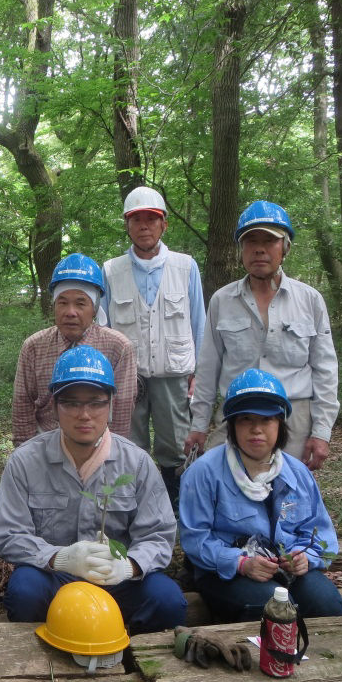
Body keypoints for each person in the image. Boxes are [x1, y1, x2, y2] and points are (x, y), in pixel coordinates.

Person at [0, 346, 187, 635]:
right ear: (55, 406)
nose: (84, 414)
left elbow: (158, 535)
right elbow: (9, 535)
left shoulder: (136, 463)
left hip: (117, 581)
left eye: (96, 402)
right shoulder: (25, 461)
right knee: (24, 591)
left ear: (110, 405)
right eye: (71, 403)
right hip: (57, 577)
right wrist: (61, 558)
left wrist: (129, 566)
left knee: (168, 600)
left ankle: (132, 652)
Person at [179, 368, 342, 622]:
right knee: (271, 607)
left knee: (328, 604)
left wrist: (305, 558)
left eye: (266, 420)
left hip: (285, 571)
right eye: (246, 419)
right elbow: (195, 540)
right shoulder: (203, 473)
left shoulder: (297, 473)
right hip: (224, 572)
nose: (256, 429)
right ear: (232, 426)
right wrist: (241, 563)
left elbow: (318, 532)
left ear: (280, 424)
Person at [185, 202, 339, 470]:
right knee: (220, 483)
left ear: (285, 247)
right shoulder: (223, 300)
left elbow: (325, 369)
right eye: (251, 241)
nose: (259, 249)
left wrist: (321, 432)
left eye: (269, 241)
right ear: (241, 250)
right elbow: (208, 367)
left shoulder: (309, 300)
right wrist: (199, 425)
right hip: (236, 413)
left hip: (294, 415)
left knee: (287, 494)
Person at [101, 187, 205, 507]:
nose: (144, 225)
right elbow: (103, 327)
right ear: (127, 225)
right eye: (137, 220)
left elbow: (198, 321)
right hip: (128, 376)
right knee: (128, 442)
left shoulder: (186, 267)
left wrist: (197, 373)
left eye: (151, 219)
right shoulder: (110, 270)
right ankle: (135, 501)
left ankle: (175, 502)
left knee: (175, 443)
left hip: (174, 372)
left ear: (164, 225)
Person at [12, 253, 137, 446]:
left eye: (80, 303)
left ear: (94, 308)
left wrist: (114, 454)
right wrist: (25, 452)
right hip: (45, 442)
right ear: (53, 305)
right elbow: (23, 405)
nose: (70, 312)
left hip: (99, 443)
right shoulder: (34, 346)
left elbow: (121, 410)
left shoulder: (118, 347)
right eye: (62, 302)